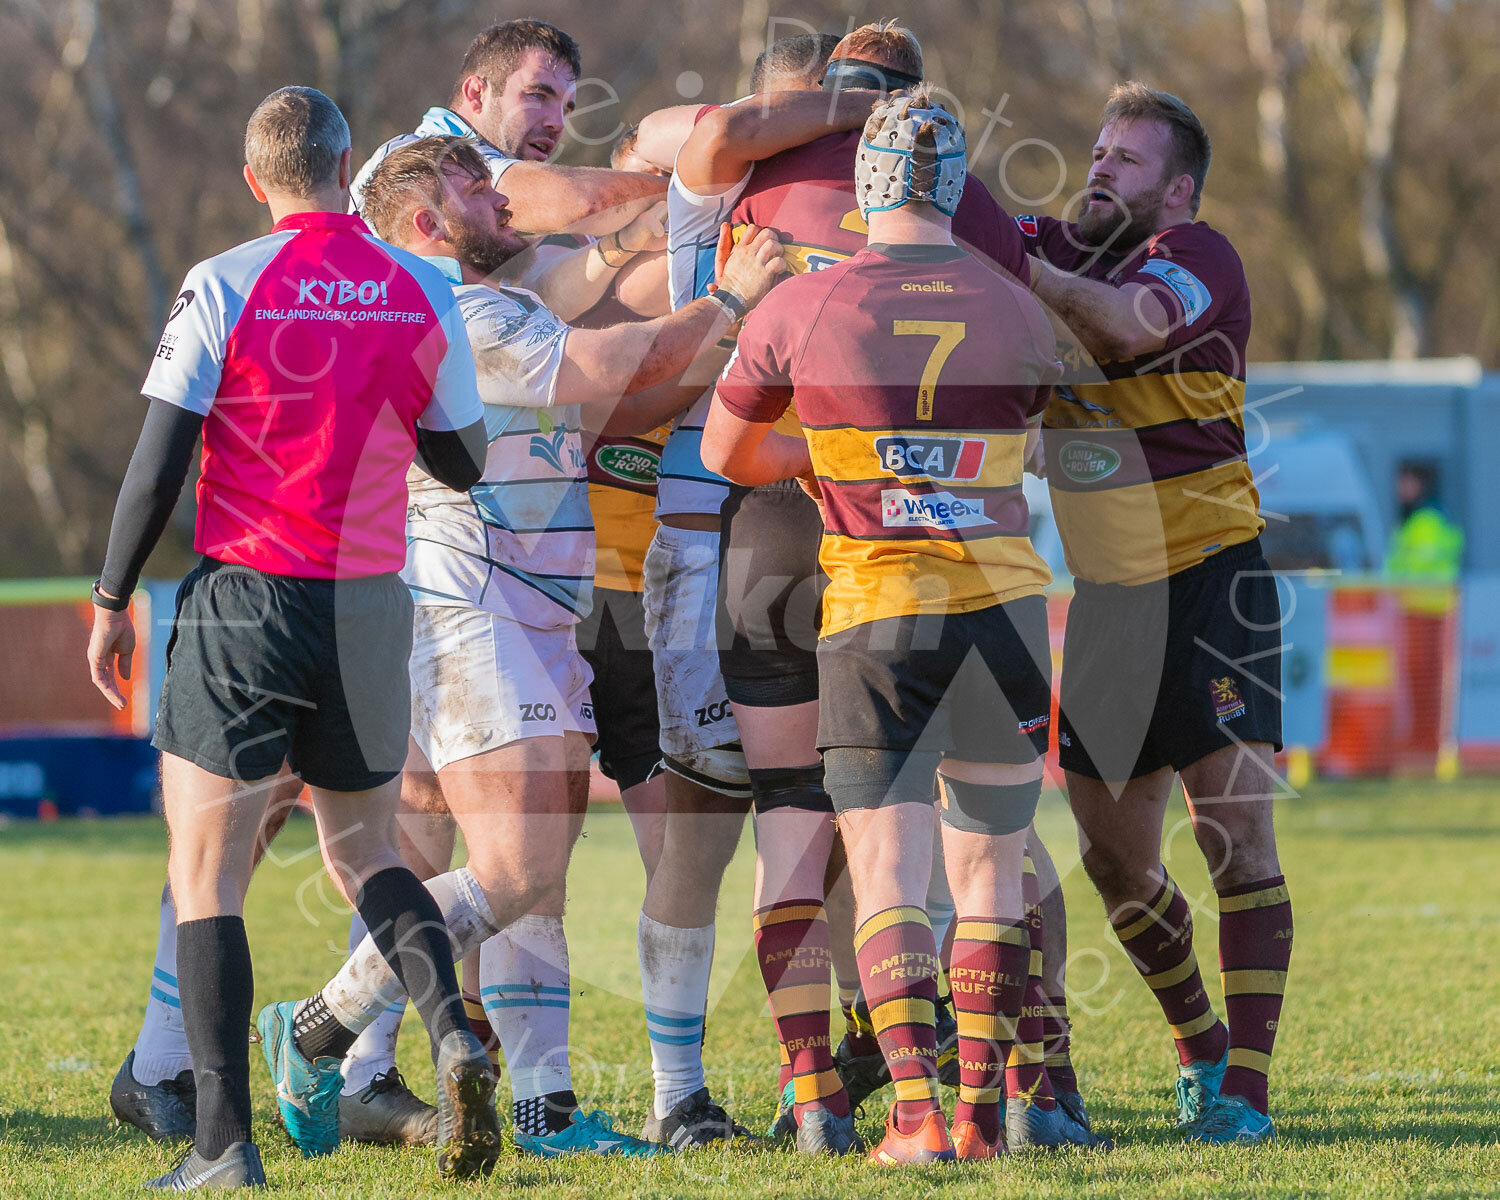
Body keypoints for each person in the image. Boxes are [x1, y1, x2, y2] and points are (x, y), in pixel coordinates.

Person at [257, 134, 787, 1158]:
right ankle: (318, 1031)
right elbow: (598, 364)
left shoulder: (487, 309)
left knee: (530, 877)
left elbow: (590, 412)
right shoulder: (455, 307)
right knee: (513, 866)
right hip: (471, 611)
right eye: (471, 187)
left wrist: (718, 349)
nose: (498, 198)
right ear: (423, 224)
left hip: (521, 611)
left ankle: (541, 1114)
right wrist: (726, 298)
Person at [674, 18, 1095, 1151]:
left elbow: (723, 451)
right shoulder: (1009, 283)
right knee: (993, 864)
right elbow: (1054, 432)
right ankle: (1006, 1095)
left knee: (816, 837)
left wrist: (828, 456)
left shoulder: (765, 177)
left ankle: (828, 1097)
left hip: (818, 562)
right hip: (995, 598)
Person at [86, 88, 495, 1188]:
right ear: (348, 164)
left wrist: (112, 592)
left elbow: (159, 461)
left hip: (246, 602)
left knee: (207, 872)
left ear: (252, 175)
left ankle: (223, 1147)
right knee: (366, 854)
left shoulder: (222, 282)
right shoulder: (420, 287)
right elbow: (464, 462)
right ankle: (455, 1030)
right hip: (368, 600)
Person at [1022, 82, 1292, 1144]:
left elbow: (1132, 333)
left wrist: (1022, 274)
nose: (1099, 169)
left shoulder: (1198, 256)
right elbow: (953, 215)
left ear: (1176, 190)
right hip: (1109, 602)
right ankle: (1199, 1044)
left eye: (1126, 161)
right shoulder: (1061, 247)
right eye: (1096, 151)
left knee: (1236, 846)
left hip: (1217, 584)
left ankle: (1248, 1094)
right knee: (1116, 866)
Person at [626, 33, 855, 1150]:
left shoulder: (862, 188)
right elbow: (704, 133)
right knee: (707, 829)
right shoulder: (718, 180)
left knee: (845, 812)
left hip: (837, 530)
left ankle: (827, 1063)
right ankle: (679, 1093)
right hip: (705, 525)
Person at [352, 20, 665, 236]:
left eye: (566, 108)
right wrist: (696, 189)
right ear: (476, 94)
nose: (557, 123)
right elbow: (582, 202)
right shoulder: (428, 154)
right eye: (537, 95)